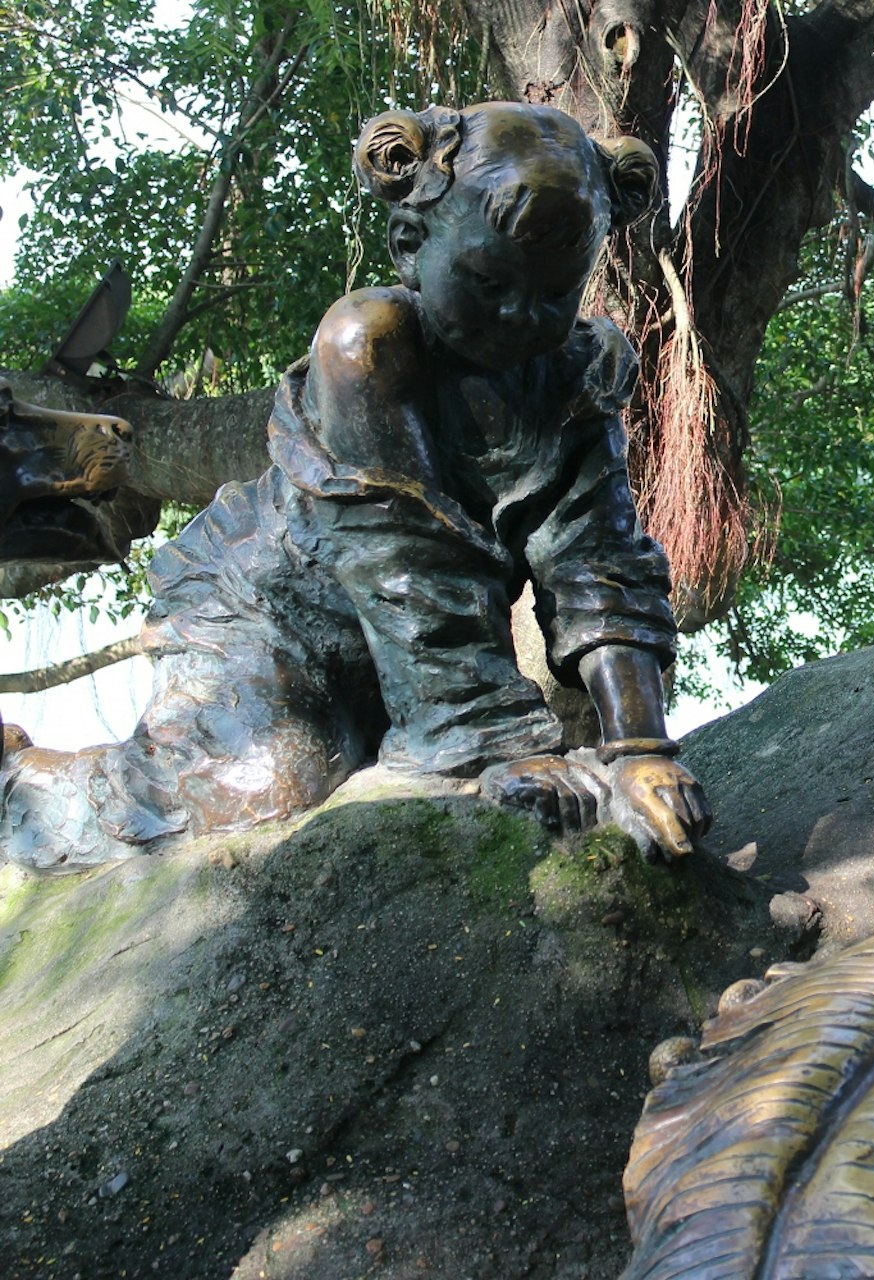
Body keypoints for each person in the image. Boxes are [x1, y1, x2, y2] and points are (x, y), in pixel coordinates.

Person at [1, 103, 711, 868]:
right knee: (265, 789)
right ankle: (21, 787)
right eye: (488, 281)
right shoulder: (367, 342)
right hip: (264, 611)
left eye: (555, 293)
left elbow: (595, 557)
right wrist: (489, 749)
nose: (519, 315)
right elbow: (406, 563)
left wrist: (639, 747)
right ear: (410, 244)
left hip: (397, 659)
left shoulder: (581, 369)